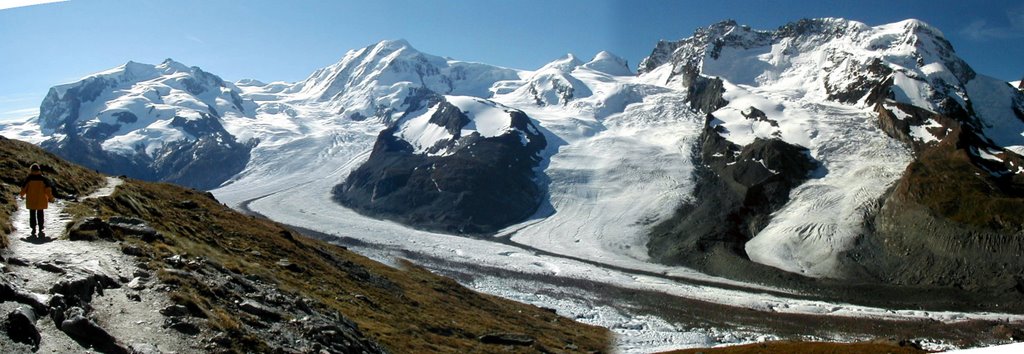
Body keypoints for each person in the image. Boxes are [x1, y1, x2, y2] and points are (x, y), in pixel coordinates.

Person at [19, 164, 55, 237]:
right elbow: (48, 190)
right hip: (41, 200)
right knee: (40, 214)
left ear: (31, 170)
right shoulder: (44, 179)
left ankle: (33, 228)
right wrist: (51, 198)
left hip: (31, 200)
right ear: (39, 170)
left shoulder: (28, 179)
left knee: (32, 214)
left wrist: (22, 195)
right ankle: (41, 228)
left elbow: (23, 189)